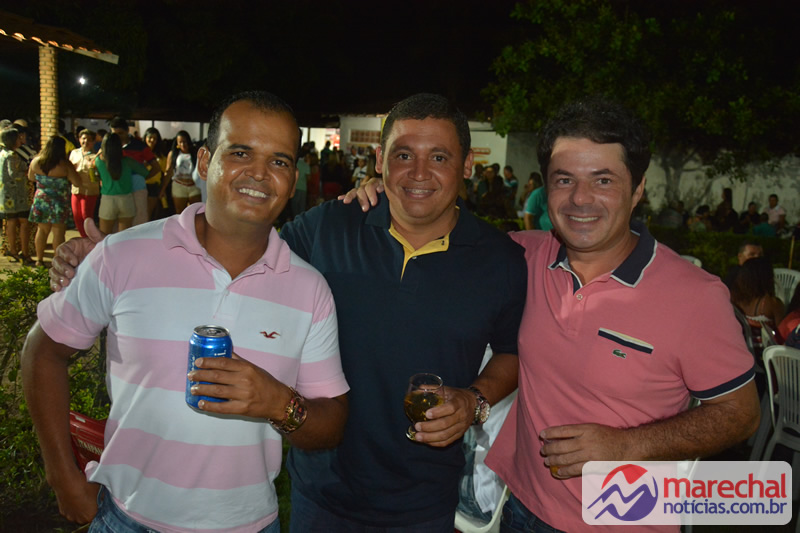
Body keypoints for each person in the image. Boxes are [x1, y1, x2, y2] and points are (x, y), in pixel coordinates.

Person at [52, 93, 526, 532]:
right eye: (403, 155)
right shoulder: (330, 226)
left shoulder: (501, 260)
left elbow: (513, 350)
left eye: (439, 157)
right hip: (320, 494)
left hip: (425, 499)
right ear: (380, 160)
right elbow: (239, 243)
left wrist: (475, 401)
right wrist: (110, 256)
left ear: (467, 164)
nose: (418, 172)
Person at [23, 91, 349, 532]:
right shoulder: (123, 254)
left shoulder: (309, 290)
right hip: (125, 517)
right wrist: (62, 476)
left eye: (279, 161)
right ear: (203, 162)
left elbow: (331, 423)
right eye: (240, 153)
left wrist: (278, 403)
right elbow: (43, 351)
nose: (259, 173)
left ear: (292, 181)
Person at [482, 97, 759, 532]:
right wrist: (377, 195)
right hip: (522, 508)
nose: (580, 199)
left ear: (638, 189)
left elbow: (741, 414)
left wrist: (626, 445)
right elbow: (442, 233)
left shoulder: (696, 297)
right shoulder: (525, 256)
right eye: (564, 179)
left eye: (603, 180)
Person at [28, 136, 81, 266]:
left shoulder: (36, 161)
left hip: (41, 199)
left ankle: (39, 259)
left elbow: (31, 177)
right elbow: (77, 182)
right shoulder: (65, 164)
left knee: (42, 230)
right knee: (58, 232)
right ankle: (57, 260)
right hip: (59, 201)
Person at [95, 133, 157, 234]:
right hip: (126, 200)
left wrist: (99, 153)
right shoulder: (128, 161)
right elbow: (145, 173)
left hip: (108, 199)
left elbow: (92, 170)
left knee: (104, 236)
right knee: (123, 236)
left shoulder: (99, 162)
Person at [730, 256, 786, 348]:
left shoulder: (735, 300)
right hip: (766, 353)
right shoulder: (772, 303)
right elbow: (783, 334)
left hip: (742, 348)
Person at [0, 127, 32, 263]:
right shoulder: (11, 155)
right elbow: (14, 174)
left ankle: (12, 250)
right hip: (16, 195)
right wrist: (26, 173)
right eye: (18, 138)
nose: (21, 140)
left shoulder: (3, 153)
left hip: (6, 194)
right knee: (24, 222)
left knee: (11, 222)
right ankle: (24, 252)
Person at [68, 129, 100, 239]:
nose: (85, 141)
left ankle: (89, 238)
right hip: (76, 189)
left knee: (86, 216)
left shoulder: (96, 156)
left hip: (90, 190)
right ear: (79, 139)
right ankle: (84, 238)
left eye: (89, 139)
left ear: (93, 142)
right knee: (77, 216)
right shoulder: (74, 153)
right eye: (83, 138)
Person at [162, 131, 201, 214]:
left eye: (185, 142)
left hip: (193, 185)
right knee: (180, 213)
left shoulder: (195, 153)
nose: (183, 144)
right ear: (177, 143)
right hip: (179, 185)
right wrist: (163, 189)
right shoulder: (173, 154)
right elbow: (168, 172)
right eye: (180, 142)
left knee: (196, 212)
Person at [143, 127, 168, 219]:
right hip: (140, 185)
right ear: (145, 138)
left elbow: (164, 174)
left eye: (155, 138)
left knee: (148, 214)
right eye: (150, 137)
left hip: (153, 186)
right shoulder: (140, 154)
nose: (152, 140)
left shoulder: (161, 156)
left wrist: (162, 189)